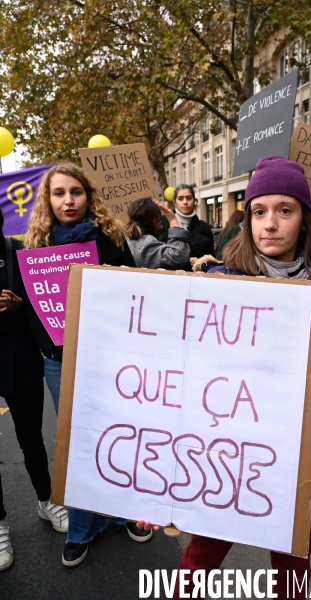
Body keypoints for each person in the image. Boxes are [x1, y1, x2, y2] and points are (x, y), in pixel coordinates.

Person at [172, 156, 311, 599]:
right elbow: (179, 374)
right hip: (224, 453)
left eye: (285, 210)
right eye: (259, 212)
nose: (270, 224)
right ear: (248, 219)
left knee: (292, 562)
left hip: (300, 457)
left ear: (305, 220)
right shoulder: (221, 284)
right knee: (201, 555)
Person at [23, 163, 151, 567]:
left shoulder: (110, 237)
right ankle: (82, 527)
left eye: (75, 192)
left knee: (119, 434)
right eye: (58, 193)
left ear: (87, 195)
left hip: (110, 359)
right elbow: (33, 310)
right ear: (48, 200)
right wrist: (51, 346)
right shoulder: (36, 247)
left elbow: (135, 294)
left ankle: (126, 511)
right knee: (79, 442)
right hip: (61, 362)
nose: (68, 200)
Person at [0, 208, 68, 572]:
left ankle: (47, 500)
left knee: (31, 439)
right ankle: (0, 523)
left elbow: (45, 302)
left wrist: (19, 303)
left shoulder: (19, 252)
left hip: (22, 360)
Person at [159, 184, 214, 270]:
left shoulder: (204, 228)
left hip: (194, 279)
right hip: (168, 278)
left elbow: (211, 261)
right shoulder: (161, 224)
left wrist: (201, 262)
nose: (185, 202)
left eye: (189, 198)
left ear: (194, 201)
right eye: (180, 199)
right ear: (175, 202)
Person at [125, 197, 190, 269]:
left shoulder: (126, 242)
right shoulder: (147, 243)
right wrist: (173, 220)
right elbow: (178, 256)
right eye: (159, 220)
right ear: (155, 221)